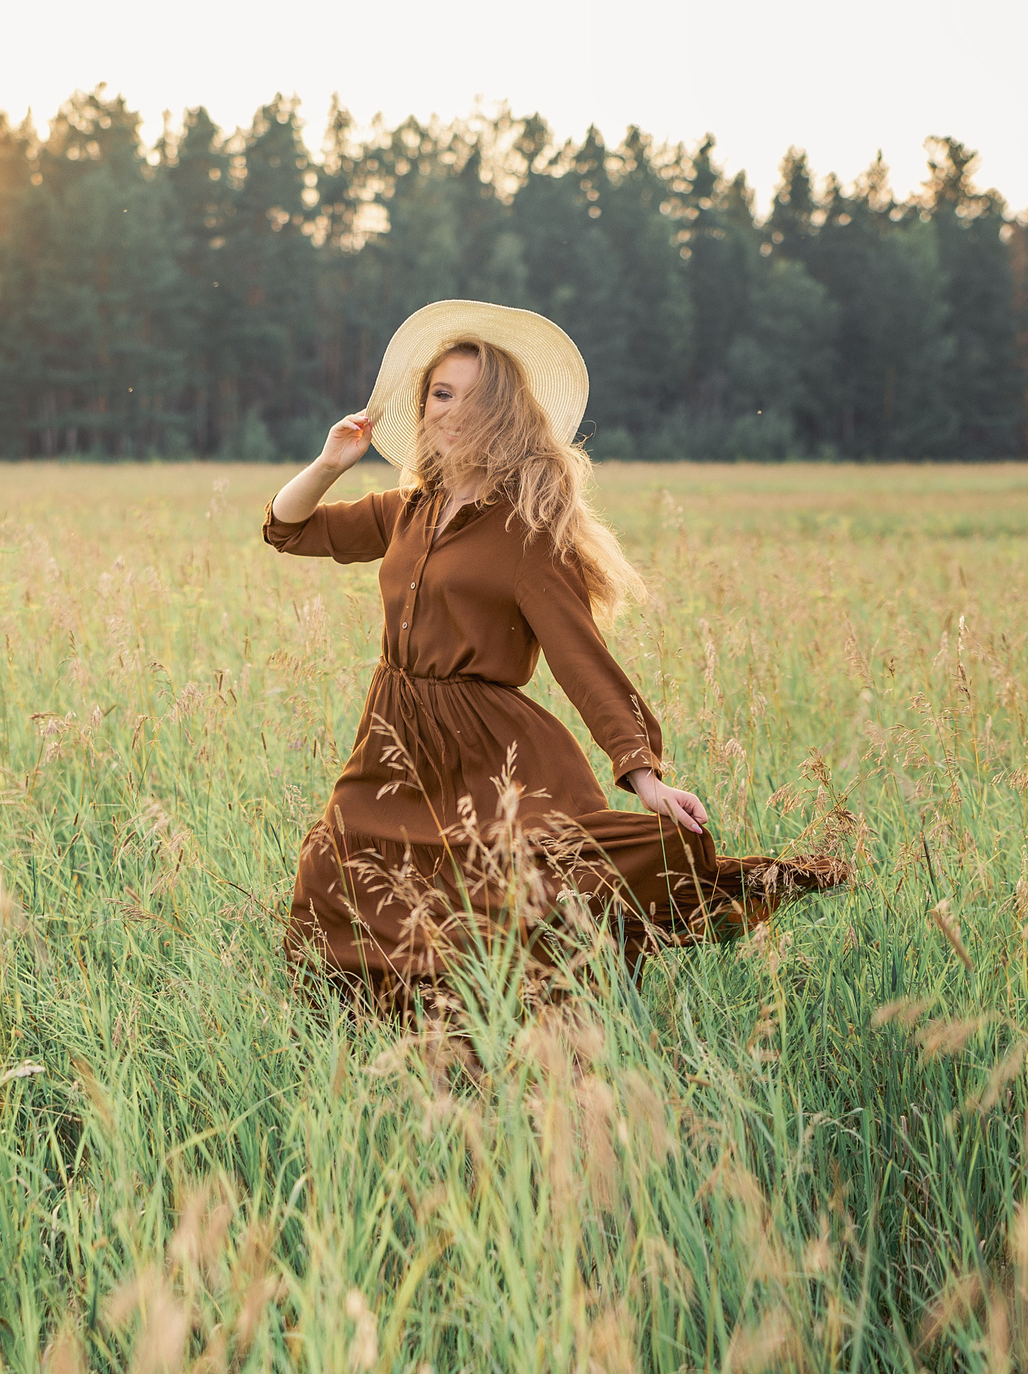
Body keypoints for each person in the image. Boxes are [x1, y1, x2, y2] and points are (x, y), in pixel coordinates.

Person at [263, 299, 849, 1010]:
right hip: (394, 734)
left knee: (508, 878)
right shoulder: (409, 509)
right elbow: (288, 531)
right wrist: (330, 461)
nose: (451, 412)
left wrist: (643, 774)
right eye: (440, 394)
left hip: (485, 745)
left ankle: (524, 1010)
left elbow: (581, 657)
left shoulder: (529, 532)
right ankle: (369, 1014)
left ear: (505, 416)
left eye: (473, 400)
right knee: (338, 860)